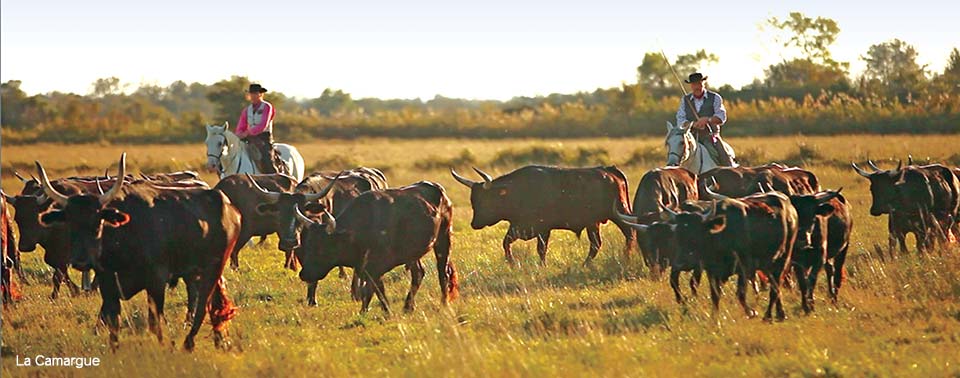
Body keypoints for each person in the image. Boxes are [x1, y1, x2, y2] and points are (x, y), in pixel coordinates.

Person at [675, 73, 736, 166]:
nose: (697, 87)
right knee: (675, 153)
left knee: (723, 156)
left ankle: (730, 173)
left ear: (704, 83)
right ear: (691, 85)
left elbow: (721, 117)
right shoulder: (685, 100)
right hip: (691, 137)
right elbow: (680, 119)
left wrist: (708, 120)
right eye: (694, 84)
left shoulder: (715, 97)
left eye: (699, 83)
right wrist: (692, 124)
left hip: (711, 137)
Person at [236, 83, 281, 174]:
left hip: (263, 138)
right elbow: (240, 126)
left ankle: (275, 177)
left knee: (267, 158)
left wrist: (248, 132)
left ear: (260, 94)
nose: (252, 96)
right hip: (249, 138)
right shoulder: (246, 110)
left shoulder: (267, 107)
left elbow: (263, 125)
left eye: (255, 94)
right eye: (251, 94)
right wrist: (239, 134)